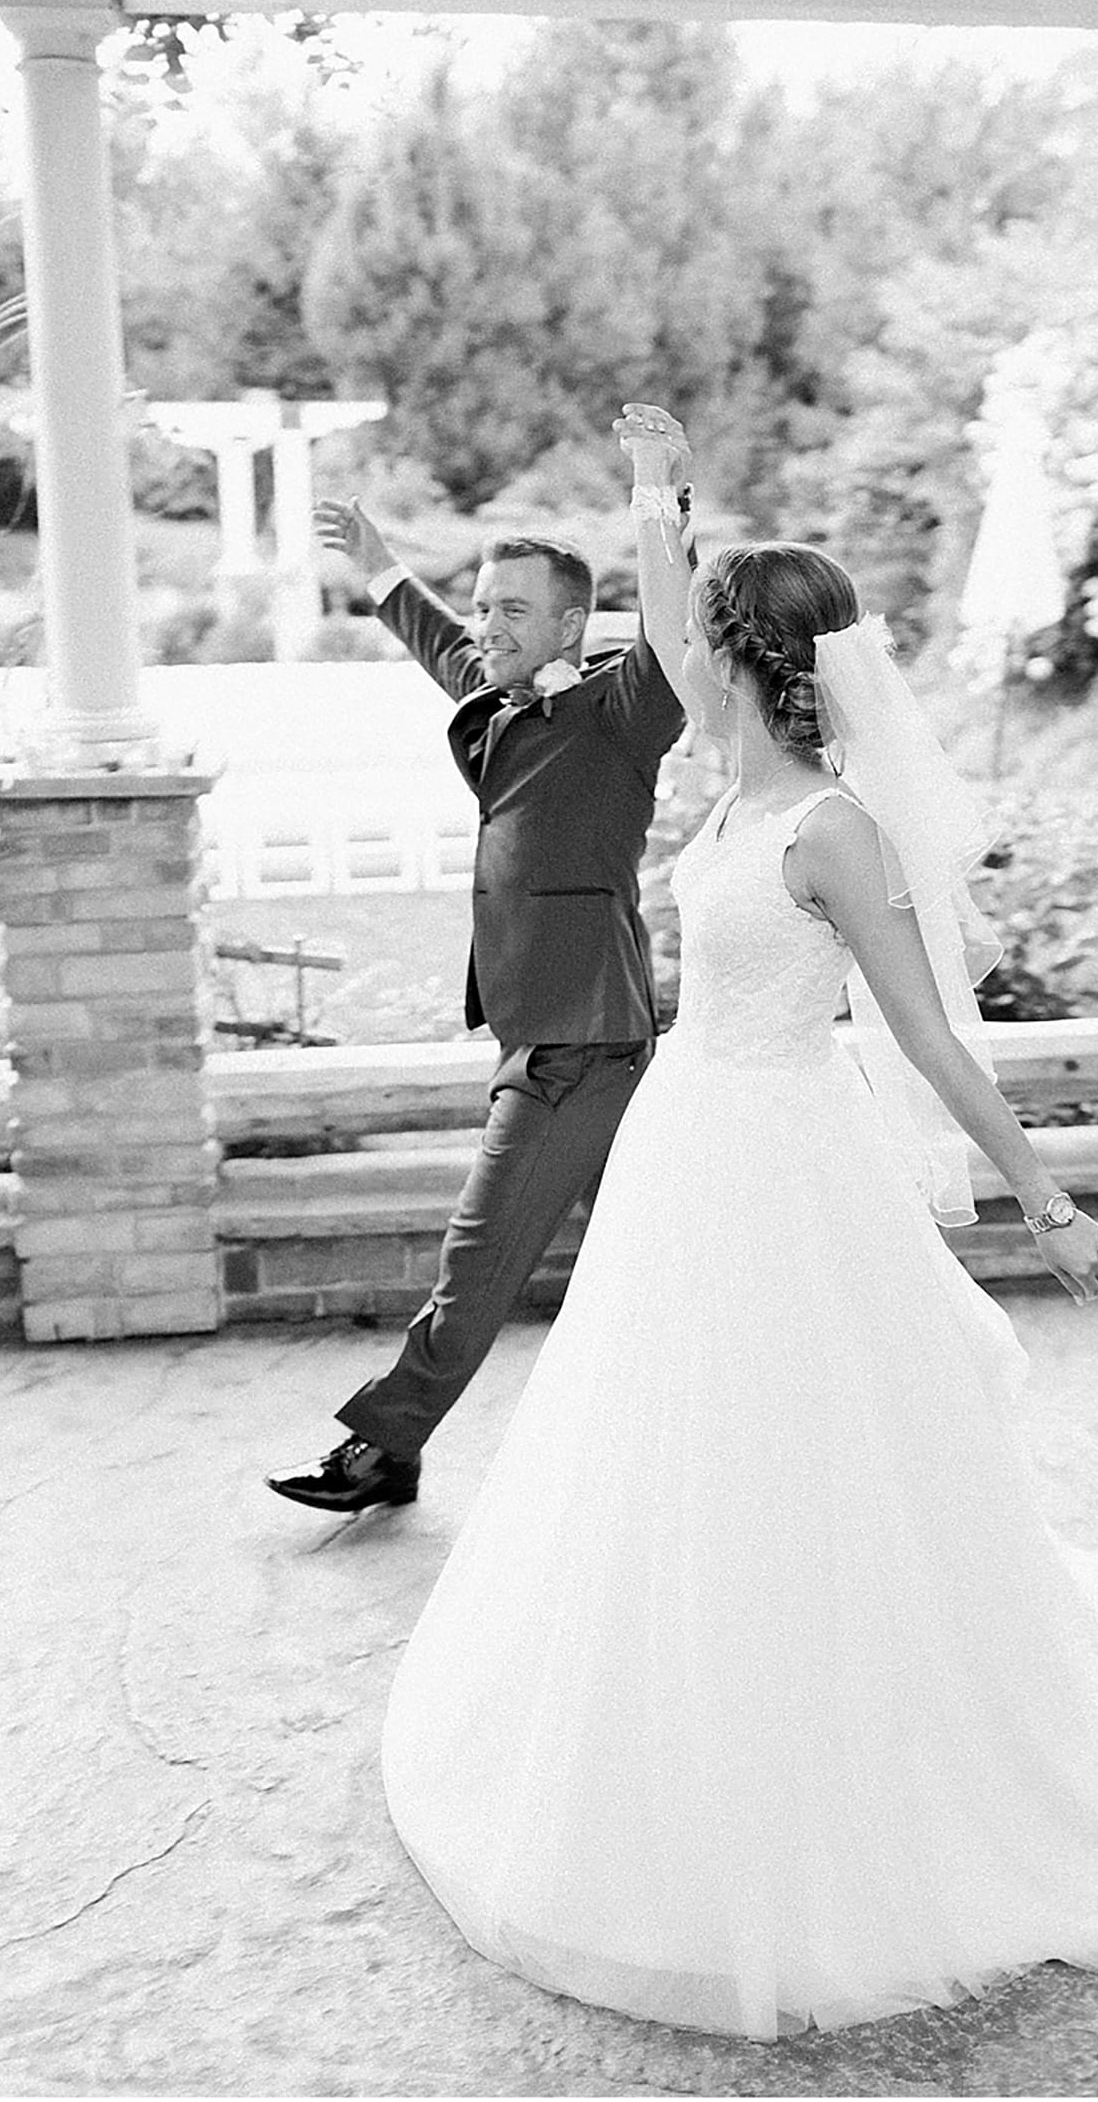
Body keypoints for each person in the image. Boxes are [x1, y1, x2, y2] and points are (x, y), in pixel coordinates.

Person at [375, 405, 1098, 2039]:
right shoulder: (723, 788)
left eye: (699, 632)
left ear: (749, 661)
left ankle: (840, 1779)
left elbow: (923, 1035)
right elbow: (661, 606)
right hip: (690, 1153)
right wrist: (651, 493)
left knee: (806, 1461)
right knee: (661, 1449)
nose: (674, 649)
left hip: (787, 1167)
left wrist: (1045, 1197)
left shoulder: (834, 833)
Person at [266, 513, 687, 1513]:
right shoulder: (502, 705)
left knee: (478, 1256)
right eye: (484, 602)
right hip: (544, 1032)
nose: (486, 625)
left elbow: (671, 627)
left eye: (513, 609)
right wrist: (378, 568)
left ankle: (383, 1447)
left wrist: (660, 499)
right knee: (656, 1264)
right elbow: (444, 645)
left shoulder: (621, 714)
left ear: (574, 625)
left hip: (582, 1040)